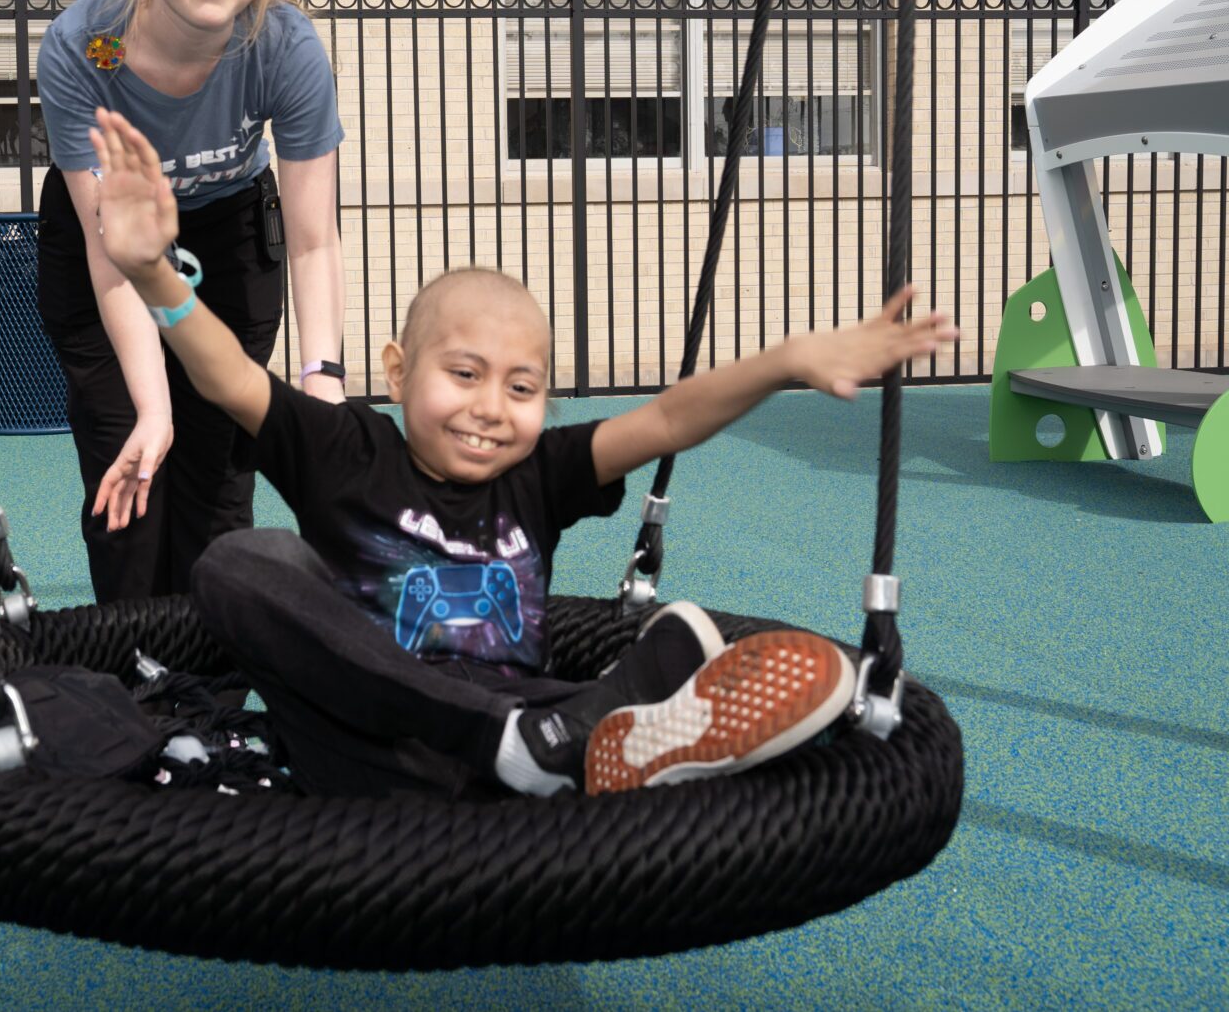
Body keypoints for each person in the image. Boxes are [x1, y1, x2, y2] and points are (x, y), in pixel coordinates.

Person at [90, 108, 960, 800]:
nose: (488, 408)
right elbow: (229, 377)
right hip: (370, 743)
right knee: (240, 561)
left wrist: (788, 361)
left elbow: (664, 420)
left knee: (680, 639)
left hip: (530, 724)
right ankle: (544, 750)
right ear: (398, 373)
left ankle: (586, 744)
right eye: (463, 373)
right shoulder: (345, 447)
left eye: (521, 387)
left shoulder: (538, 475)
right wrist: (155, 272)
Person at [34, 0, 346, 603]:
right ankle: (132, 682)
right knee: (133, 463)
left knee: (217, 477)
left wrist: (325, 388)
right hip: (109, 242)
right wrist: (151, 405)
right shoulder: (90, 49)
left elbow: (312, 243)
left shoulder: (277, 47)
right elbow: (113, 258)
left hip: (229, 230)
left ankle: (210, 680)